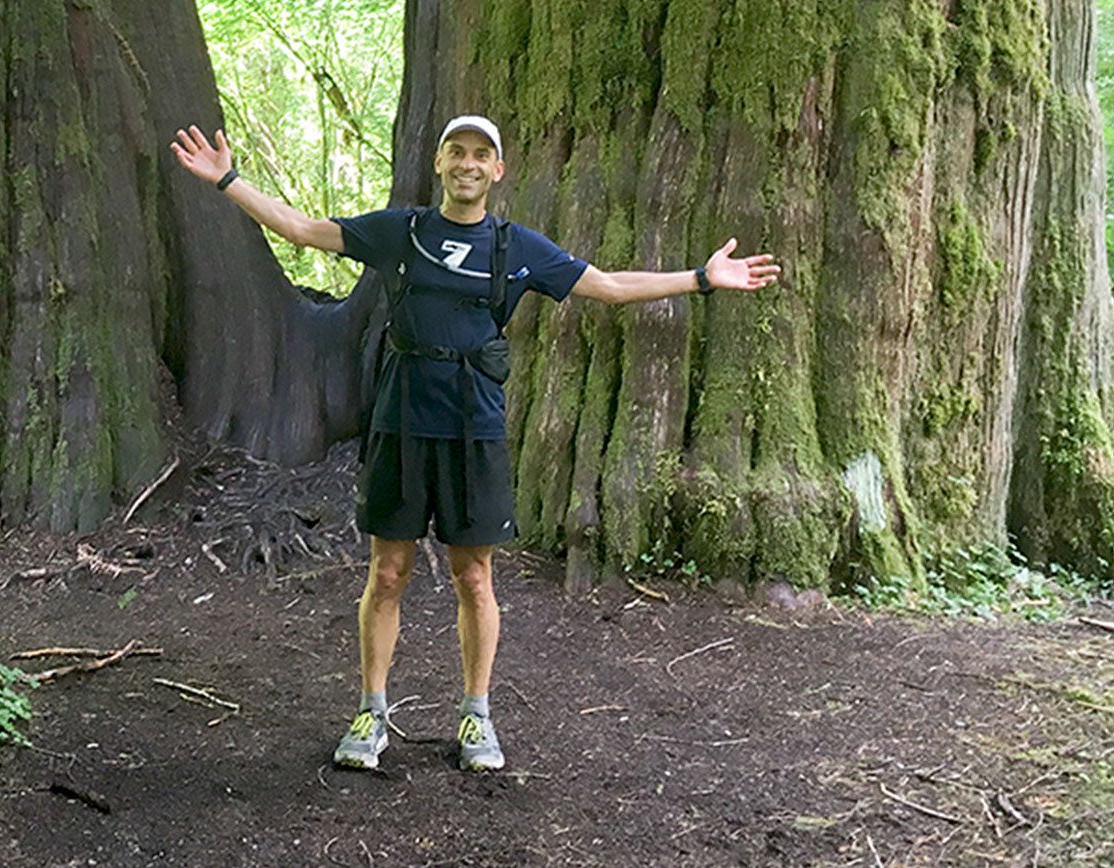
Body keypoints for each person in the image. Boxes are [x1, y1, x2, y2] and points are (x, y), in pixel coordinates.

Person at [170, 115, 779, 772]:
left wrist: (700, 278)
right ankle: (372, 713)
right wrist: (227, 179)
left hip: (474, 424)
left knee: (475, 575)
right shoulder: (401, 231)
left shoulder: (516, 248)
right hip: (401, 420)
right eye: (455, 152)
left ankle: (477, 716)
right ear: (439, 165)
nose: (467, 163)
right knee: (389, 572)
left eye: (480, 154)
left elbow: (605, 286)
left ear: (497, 170)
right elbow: (302, 229)